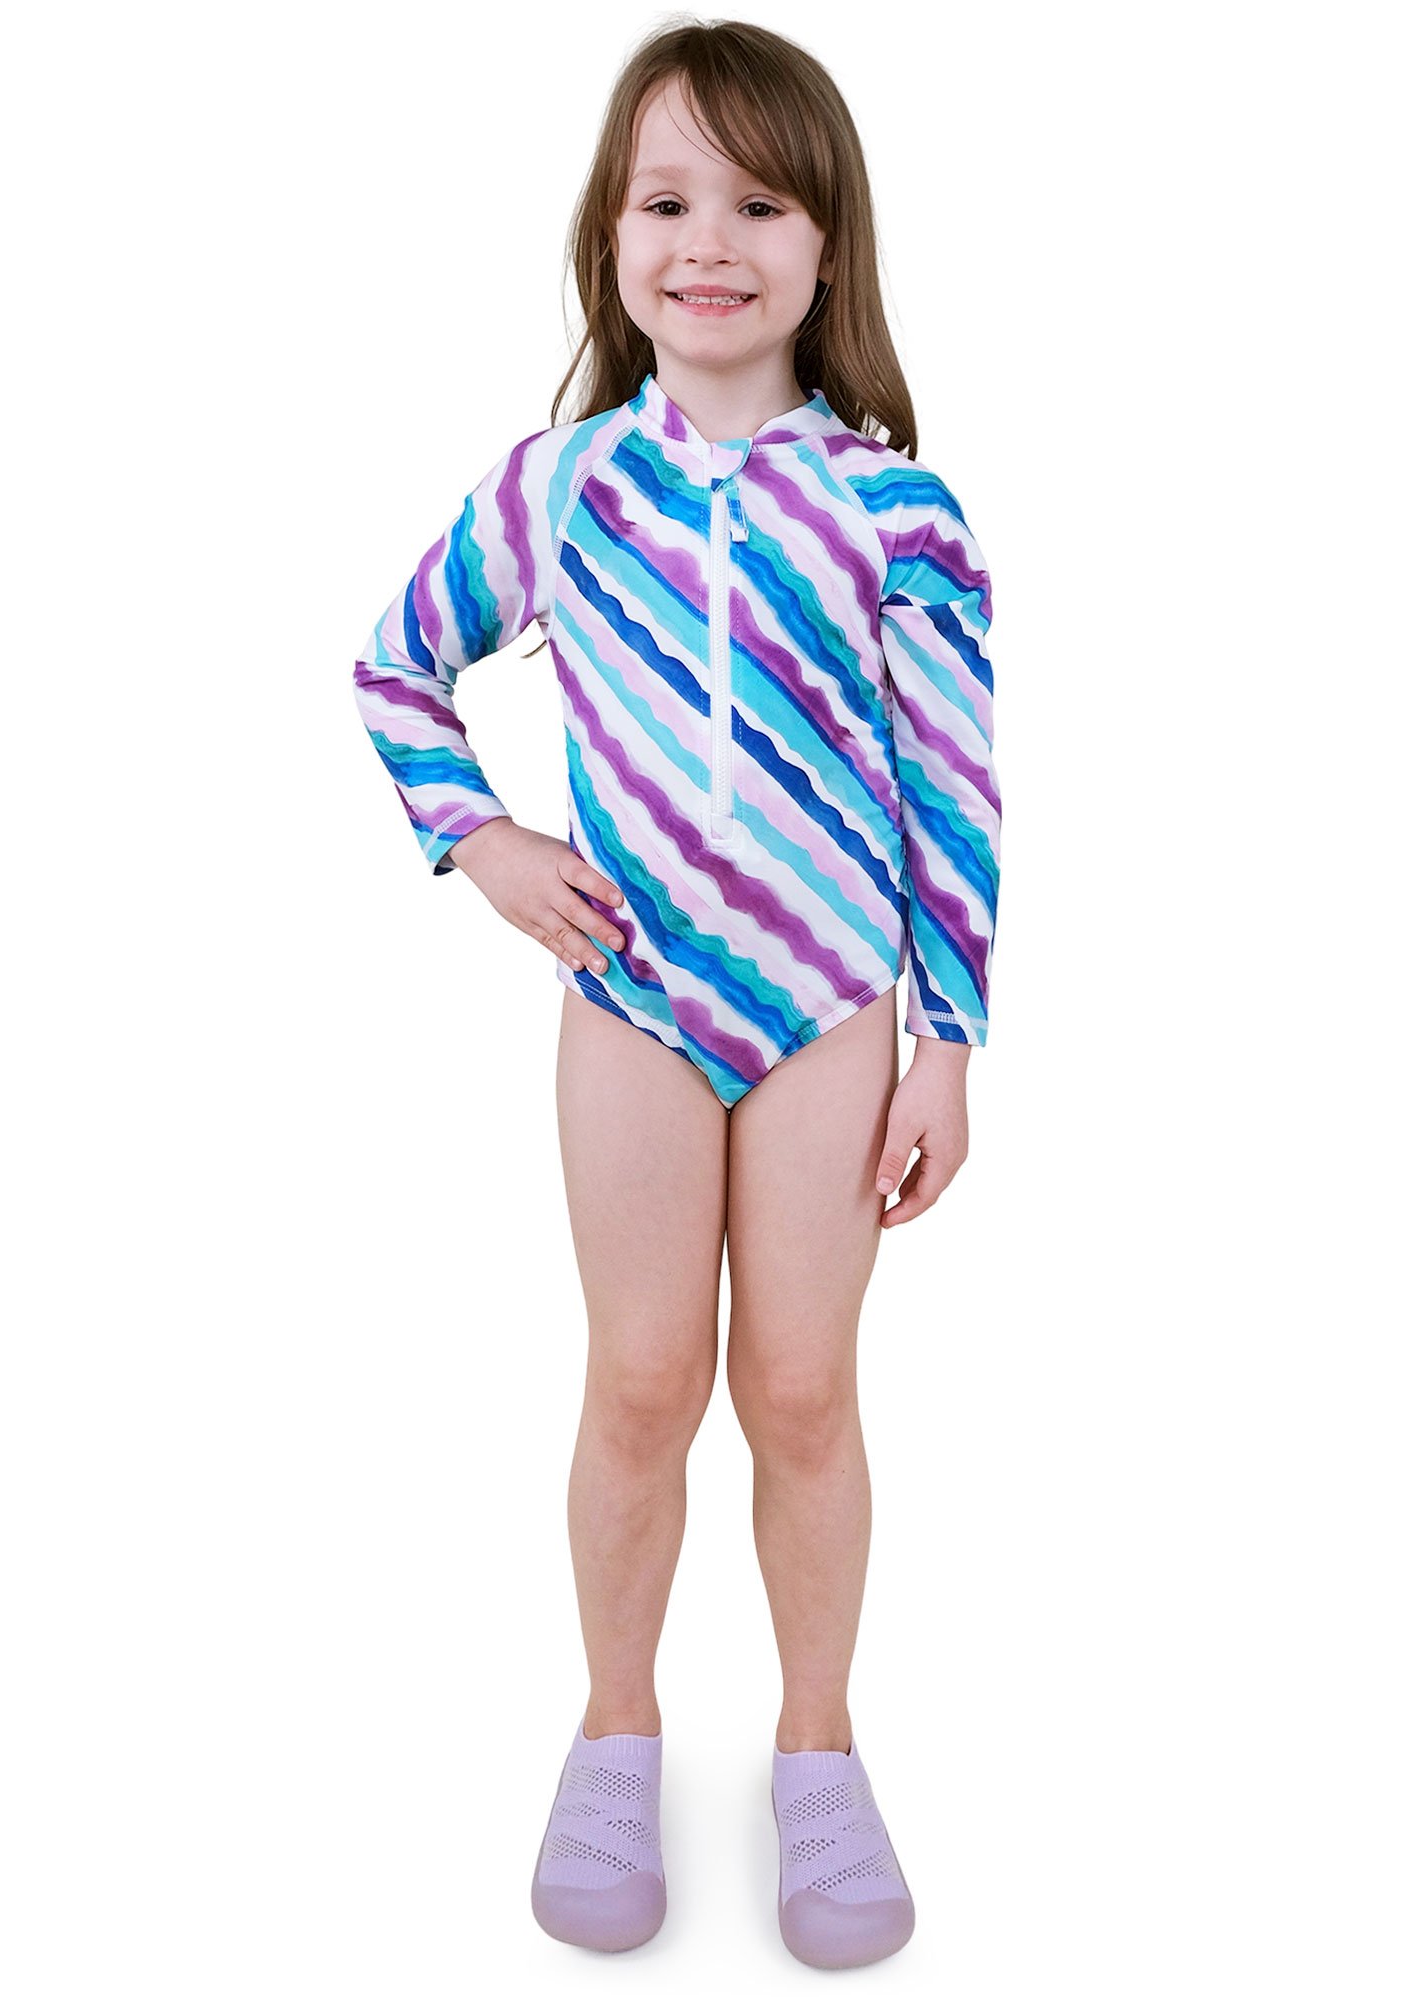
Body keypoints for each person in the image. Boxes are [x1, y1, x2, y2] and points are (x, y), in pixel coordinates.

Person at [350, 19, 1000, 1971]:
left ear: (826, 248)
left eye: (758, 203)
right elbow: (393, 668)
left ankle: (820, 1748)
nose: (707, 241)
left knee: (799, 1388)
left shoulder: (899, 514)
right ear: (610, 239)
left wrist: (949, 1042)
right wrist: (481, 840)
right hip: (631, 998)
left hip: (826, 1008)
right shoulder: (560, 490)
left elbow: (955, 784)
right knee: (641, 1380)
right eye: (665, 201)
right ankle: (615, 1729)